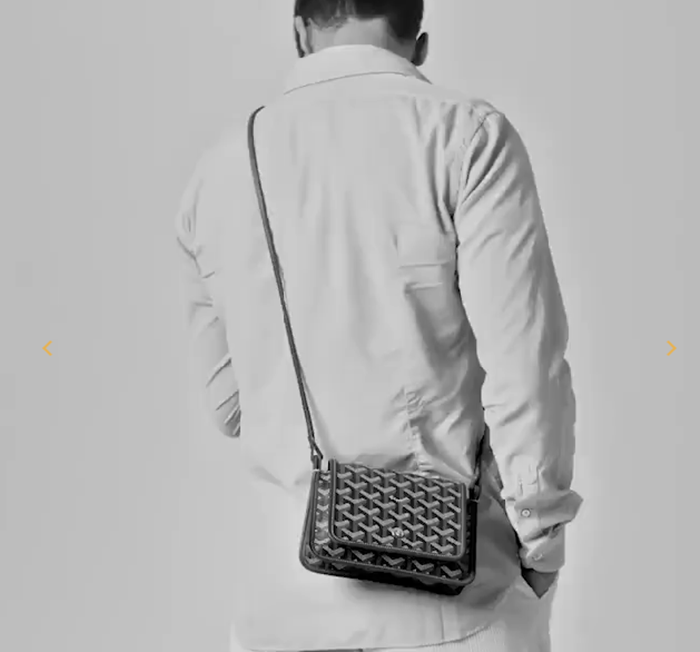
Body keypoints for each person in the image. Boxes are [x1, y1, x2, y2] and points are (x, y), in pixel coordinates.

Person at [175, 1, 583, 651]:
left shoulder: (220, 169)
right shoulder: (468, 137)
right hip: (460, 600)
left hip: (286, 610)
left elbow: (229, 405)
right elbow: (526, 367)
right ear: (418, 43)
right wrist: (541, 542)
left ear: (300, 33)